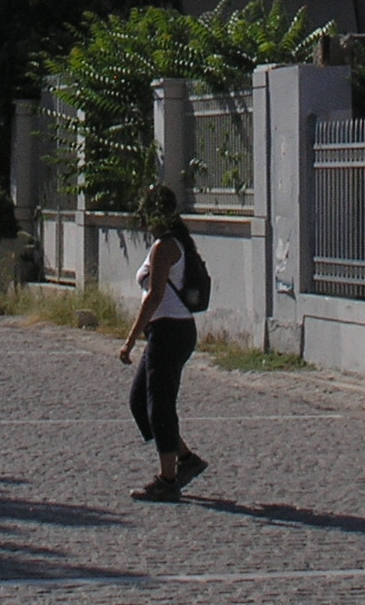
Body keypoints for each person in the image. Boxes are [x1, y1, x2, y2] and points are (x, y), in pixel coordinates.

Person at [117, 185, 206, 502]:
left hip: (170, 331)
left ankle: (168, 479)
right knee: (140, 402)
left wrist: (129, 341)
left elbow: (154, 297)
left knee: (160, 404)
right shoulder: (165, 243)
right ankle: (186, 459)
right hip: (168, 331)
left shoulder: (165, 246)